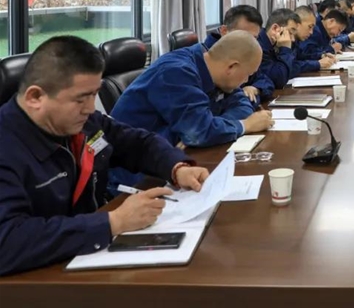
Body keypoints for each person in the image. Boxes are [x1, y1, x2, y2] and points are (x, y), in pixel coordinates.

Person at [0, 36, 209, 276]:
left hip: (84, 256)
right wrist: (113, 222)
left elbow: (136, 143)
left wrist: (177, 167)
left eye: (94, 95)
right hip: (34, 279)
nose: (91, 108)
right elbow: (7, 241)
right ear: (35, 97)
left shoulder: (83, 123)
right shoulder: (7, 147)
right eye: (80, 99)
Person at [111, 30, 274, 155]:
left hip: (175, 157)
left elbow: (242, 104)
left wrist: (210, 127)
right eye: (248, 74)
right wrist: (244, 125)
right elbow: (198, 133)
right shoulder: (176, 73)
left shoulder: (215, 70)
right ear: (231, 66)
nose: (246, 81)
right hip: (137, 173)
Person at [203, 5, 264, 102]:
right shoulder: (209, 59)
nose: (250, 42)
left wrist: (255, 88)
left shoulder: (247, 53)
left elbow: (264, 79)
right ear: (224, 31)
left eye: (254, 38)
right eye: (243, 35)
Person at [255, 8, 300, 93]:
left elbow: (293, 68)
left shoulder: (274, 44)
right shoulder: (259, 46)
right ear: (275, 28)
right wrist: (285, 49)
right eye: (290, 33)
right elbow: (279, 80)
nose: (293, 39)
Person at [292, 6, 336, 76]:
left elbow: (303, 56)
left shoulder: (296, 41)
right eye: (309, 27)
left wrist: (321, 55)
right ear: (297, 24)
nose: (311, 32)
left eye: (312, 28)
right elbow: (291, 67)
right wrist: (317, 64)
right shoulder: (284, 42)